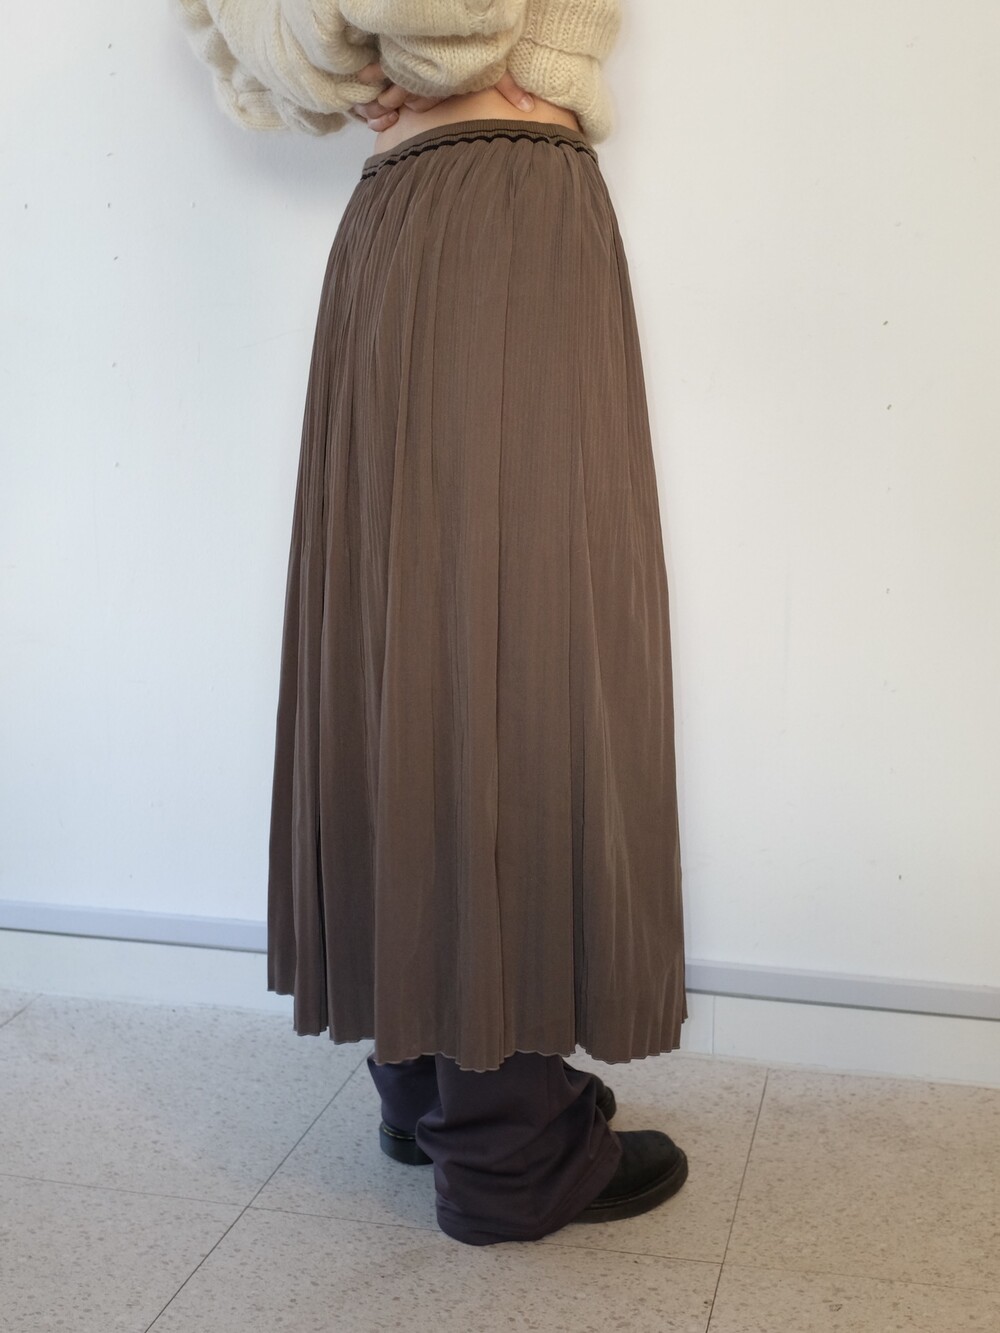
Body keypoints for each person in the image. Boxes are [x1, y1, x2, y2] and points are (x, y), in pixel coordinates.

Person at [175, 0, 689, 1246]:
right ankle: (510, 1148)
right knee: (514, 643)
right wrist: (436, 51)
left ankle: (427, 1079)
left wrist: (346, 65)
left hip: (403, 217)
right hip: (498, 204)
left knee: (402, 637)